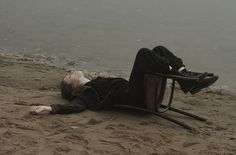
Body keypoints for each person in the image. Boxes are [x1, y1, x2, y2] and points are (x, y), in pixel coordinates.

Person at [30, 46, 219, 115]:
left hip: (133, 92)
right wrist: (50, 108)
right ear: (73, 85)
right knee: (143, 53)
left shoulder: (95, 82)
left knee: (159, 50)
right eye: (69, 75)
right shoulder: (84, 92)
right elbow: (77, 106)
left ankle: (185, 77)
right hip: (132, 97)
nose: (73, 71)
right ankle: (186, 79)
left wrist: (102, 79)